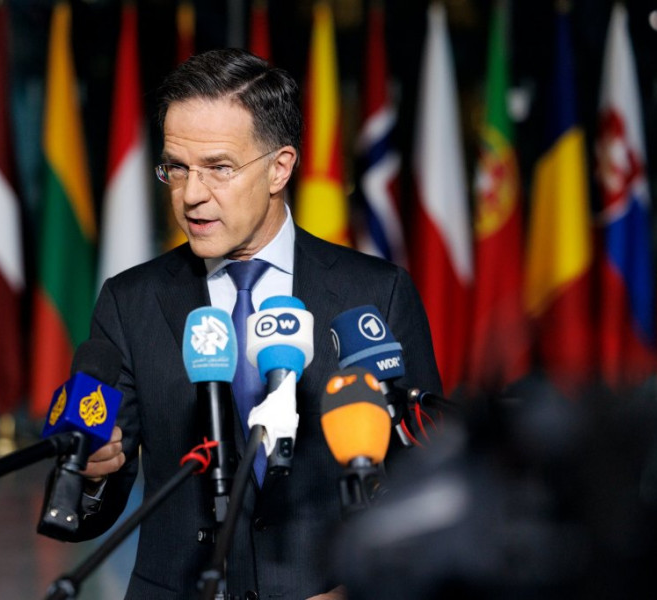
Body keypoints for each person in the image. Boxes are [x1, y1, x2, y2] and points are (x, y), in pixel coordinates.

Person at [75, 48, 442, 599]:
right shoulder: (130, 301)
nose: (191, 195)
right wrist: (92, 472)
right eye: (177, 168)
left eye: (219, 168)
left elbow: (426, 487)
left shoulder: (376, 293)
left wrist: (359, 587)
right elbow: (90, 506)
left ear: (280, 167)